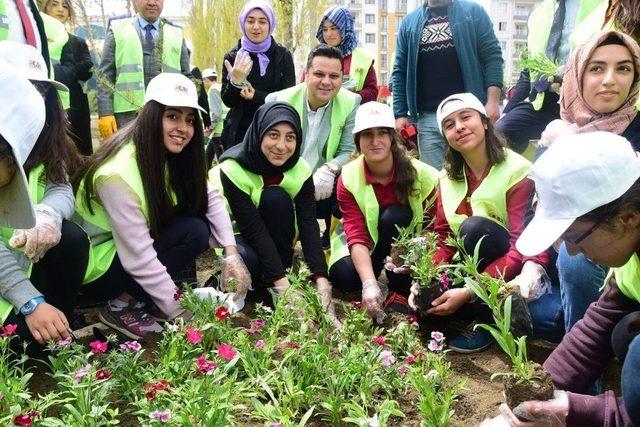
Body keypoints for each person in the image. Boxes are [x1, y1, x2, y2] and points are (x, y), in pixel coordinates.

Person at [74, 73, 251, 339]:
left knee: (194, 229)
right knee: (189, 232)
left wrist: (231, 254)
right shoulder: (117, 174)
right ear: (151, 116)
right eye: (172, 116)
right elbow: (140, 258)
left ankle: (145, 300)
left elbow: (211, 198)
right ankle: (120, 306)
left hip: (123, 251)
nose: (183, 128)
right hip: (95, 266)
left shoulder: (164, 154)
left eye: (189, 120)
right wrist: (182, 312)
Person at [486, 132, 640, 426]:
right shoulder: (631, 248)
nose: (571, 251)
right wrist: (537, 396)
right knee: (624, 330)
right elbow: (598, 326)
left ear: (626, 219)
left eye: (573, 237)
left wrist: (578, 411)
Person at [408, 93, 534, 353]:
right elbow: (443, 236)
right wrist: (426, 276)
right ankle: (460, 313)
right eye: (449, 124)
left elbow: (521, 246)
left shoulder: (517, 170)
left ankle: (484, 320)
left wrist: (469, 290)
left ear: (486, 122)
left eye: (466, 117)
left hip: (510, 265)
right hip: (468, 263)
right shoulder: (447, 177)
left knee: (475, 228)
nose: (459, 127)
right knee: (426, 302)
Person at [535, 31, 640, 338]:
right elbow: (537, 215)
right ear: (577, 75)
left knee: (574, 261)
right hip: (572, 263)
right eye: (596, 68)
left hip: (607, 263)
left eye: (623, 68)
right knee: (531, 311)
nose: (609, 80)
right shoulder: (556, 134)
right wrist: (532, 267)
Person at [209, 102, 334, 315]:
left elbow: (308, 225)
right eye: (273, 135)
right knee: (248, 262)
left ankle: (277, 274)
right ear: (259, 133)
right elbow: (253, 229)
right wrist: (284, 288)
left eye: (290, 137)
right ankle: (254, 279)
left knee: (275, 198)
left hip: (279, 236)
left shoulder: (300, 168)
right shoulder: (232, 169)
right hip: (241, 235)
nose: (281, 146)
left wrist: (321, 279)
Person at [328, 102, 439, 323]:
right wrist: (369, 282)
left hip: (406, 245)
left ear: (392, 138)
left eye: (382, 133)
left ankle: (396, 285)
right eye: (367, 134)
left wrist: (417, 252)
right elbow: (356, 232)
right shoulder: (349, 176)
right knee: (345, 278)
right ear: (358, 141)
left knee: (396, 216)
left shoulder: (423, 175)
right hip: (369, 243)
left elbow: (433, 226)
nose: (375, 141)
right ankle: (377, 279)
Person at [0, 62, 79, 346]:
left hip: (23, 259)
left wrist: (48, 214)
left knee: (71, 238)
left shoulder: (46, 141)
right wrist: (31, 302)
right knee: (21, 344)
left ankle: (55, 323)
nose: (37, 98)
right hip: (8, 270)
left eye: (43, 91)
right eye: (27, 88)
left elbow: (61, 186)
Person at [266, 44, 361, 247]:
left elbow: (347, 151)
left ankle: (332, 243)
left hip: (325, 183)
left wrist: (330, 168)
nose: (326, 82)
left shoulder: (351, 102)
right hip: (286, 177)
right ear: (306, 74)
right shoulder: (278, 100)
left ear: (341, 79)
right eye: (319, 74)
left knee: (351, 180)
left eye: (334, 76)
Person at [391, 0, 503, 169]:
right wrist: (399, 114)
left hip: (468, 115)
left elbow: (492, 56)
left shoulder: (473, 12)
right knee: (436, 183)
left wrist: (493, 101)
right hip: (428, 119)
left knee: (480, 174)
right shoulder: (410, 23)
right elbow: (400, 70)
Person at [495, 0, 607, 154]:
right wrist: (507, 112)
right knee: (498, 135)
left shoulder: (606, 5)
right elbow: (528, 72)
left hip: (590, 104)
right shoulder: (538, 14)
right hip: (543, 101)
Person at [97, 0, 191, 139]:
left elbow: (186, 76)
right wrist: (105, 113)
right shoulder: (117, 30)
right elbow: (105, 76)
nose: (152, 2)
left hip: (167, 114)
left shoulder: (176, 33)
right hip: (127, 117)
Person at [220, 0, 295, 150]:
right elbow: (228, 101)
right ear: (243, 23)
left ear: (270, 24)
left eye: (262, 21)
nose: (256, 27)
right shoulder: (233, 57)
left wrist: (257, 96)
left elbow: (288, 98)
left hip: (272, 131)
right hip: (239, 134)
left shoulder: (282, 56)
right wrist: (236, 81)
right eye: (250, 21)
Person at [40, 0, 94, 155]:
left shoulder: (76, 41)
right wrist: (69, 70)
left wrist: (68, 70)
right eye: (55, 4)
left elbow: (88, 67)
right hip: (48, 96)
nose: (60, 9)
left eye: (65, 6)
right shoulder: (38, 37)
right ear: (45, 8)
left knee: (78, 146)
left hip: (75, 99)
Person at [312, 5, 377, 103]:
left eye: (333, 28)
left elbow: (372, 92)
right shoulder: (315, 56)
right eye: (325, 29)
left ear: (345, 28)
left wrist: (346, 97)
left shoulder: (363, 59)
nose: (328, 34)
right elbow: (305, 87)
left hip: (352, 115)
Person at [202, 67, 227, 166]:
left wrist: (209, 127)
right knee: (207, 156)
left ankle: (224, 179)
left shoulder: (213, 90)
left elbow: (216, 112)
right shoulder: (221, 87)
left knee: (222, 162)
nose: (203, 83)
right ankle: (203, 175)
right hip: (223, 128)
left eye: (203, 80)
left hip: (218, 131)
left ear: (206, 79)